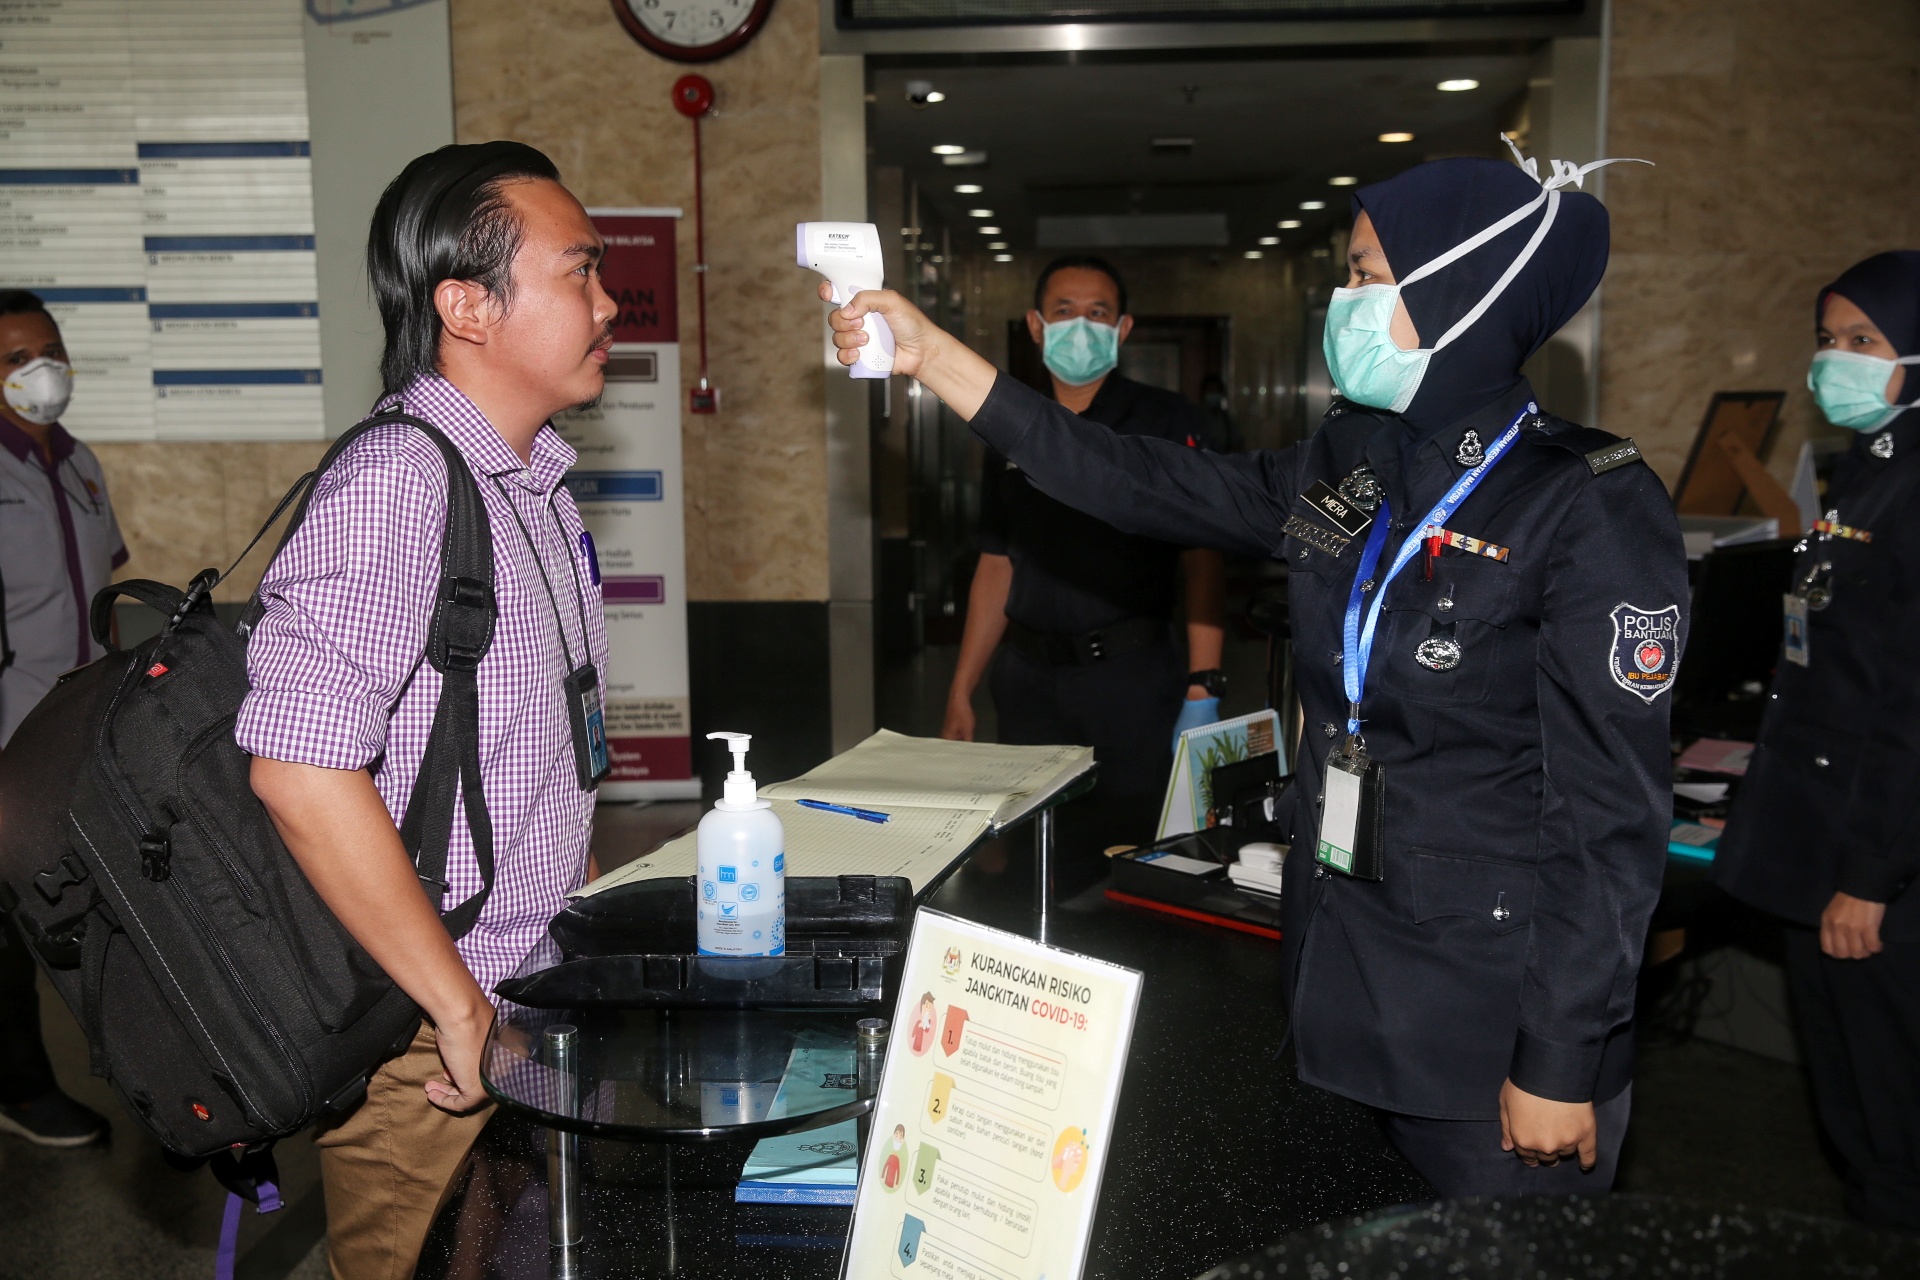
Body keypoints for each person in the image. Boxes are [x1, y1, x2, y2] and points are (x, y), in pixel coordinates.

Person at [824, 147, 1683, 1195]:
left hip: (1485, 1016)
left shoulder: (1585, 500)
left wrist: (1560, 1057)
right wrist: (937, 360)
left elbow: (1609, 818)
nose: (1345, 300)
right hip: (1338, 974)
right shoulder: (1349, 460)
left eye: (1367, 276)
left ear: (1461, 290)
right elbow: (1140, 480)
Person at [239, 141, 613, 1277]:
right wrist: (454, 1003)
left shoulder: (530, 477)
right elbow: (298, 766)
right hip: (426, 1031)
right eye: (578, 273)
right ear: (468, 306)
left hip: (520, 992)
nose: (608, 302)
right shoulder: (401, 482)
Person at [1713, 251, 1920, 1233]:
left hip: (1876, 868)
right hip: (1817, 840)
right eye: (1829, 339)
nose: (1834, 360)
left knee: (1896, 1126)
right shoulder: (1866, 474)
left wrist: (1872, 873)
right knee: (1852, 1115)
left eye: (1863, 342)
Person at [944, 256, 1226, 867]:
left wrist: (1203, 685)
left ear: (1122, 329)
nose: (1080, 325)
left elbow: (1203, 558)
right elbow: (997, 563)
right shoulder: (1010, 425)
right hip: (1026, 683)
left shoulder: (1168, 422)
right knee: (1027, 861)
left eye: (1097, 313)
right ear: (1036, 325)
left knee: (1124, 860)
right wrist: (961, 690)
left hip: (1129, 680)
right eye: (1064, 311)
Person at [0, 288, 117, 1148]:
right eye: (13, 359)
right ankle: (21, 1088)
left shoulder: (79, 464)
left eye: (47, 350)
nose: (39, 371)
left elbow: (105, 589)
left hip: (75, 732)